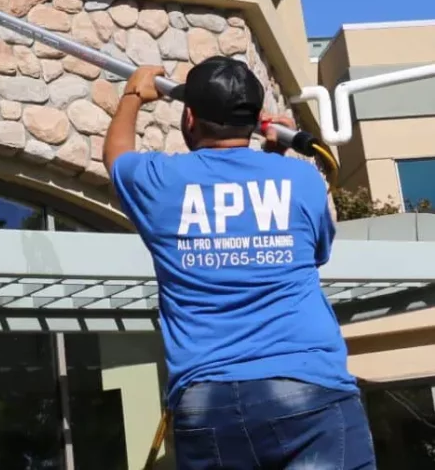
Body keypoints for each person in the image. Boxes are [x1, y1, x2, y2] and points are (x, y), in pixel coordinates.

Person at [103, 56, 375, 470]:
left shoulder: (160, 180)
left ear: (190, 116)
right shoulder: (301, 180)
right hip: (309, 387)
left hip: (208, 400)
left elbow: (117, 155)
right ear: (254, 120)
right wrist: (275, 154)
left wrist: (133, 95)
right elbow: (313, 253)